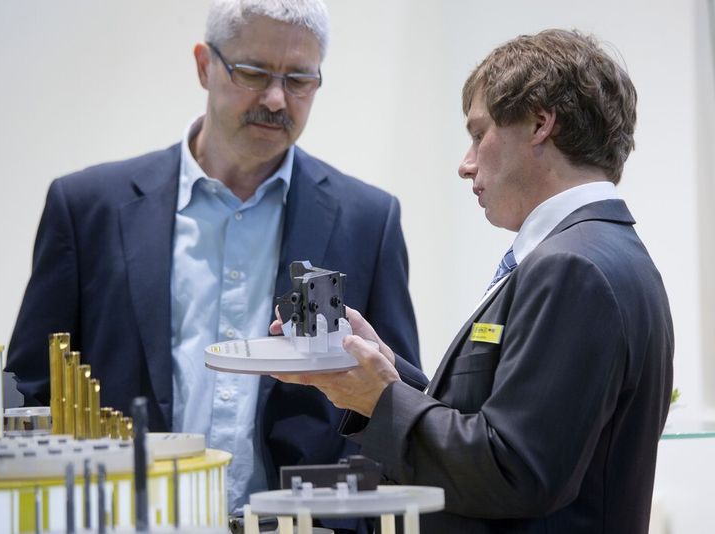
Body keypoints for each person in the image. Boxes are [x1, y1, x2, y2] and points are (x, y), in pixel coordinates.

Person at [5, 0, 420, 518]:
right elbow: (31, 393)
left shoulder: (368, 220)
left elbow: (395, 401)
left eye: (299, 80)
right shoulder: (88, 208)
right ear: (204, 65)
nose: (275, 98)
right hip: (124, 520)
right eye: (253, 73)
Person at [274, 29, 674, 533]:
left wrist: (377, 399)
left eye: (478, 133)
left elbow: (513, 470)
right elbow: (491, 428)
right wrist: (385, 374)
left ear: (539, 121)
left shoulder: (574, 267)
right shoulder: (595, 253)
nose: (465, 165)